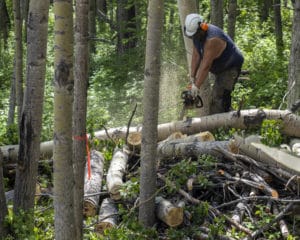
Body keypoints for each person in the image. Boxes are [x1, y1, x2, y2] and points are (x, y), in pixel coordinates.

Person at [184, 13, 244, 114]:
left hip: (230, 66)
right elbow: (196, 55)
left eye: (195, 35)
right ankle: (221, 120)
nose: (193, 37)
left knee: (219, 99)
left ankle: (224, 125)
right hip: (220, 67)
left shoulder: (212, 39)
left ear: (202, 28)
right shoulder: (197, 36)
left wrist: (196, 87)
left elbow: (205, 66)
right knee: (216, 98)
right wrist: (192, 77)